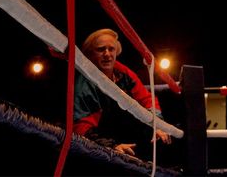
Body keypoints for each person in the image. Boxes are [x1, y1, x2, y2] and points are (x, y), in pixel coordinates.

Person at [73, 28, 172, 158]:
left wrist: (158, 125)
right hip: (101, 144)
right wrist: (111, 147)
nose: (107, 54)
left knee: (167, 137)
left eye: (111, 49)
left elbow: (147, 99)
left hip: (126, 136)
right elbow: (81, 128)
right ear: (90, 54)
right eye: (101, 49)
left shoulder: (123, 71)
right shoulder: (84, 84)